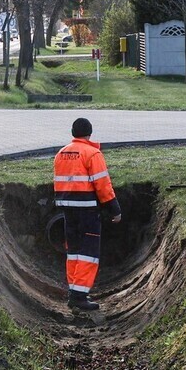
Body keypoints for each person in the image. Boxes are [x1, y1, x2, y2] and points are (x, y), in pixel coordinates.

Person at [53, 117, 122, 311]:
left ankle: (74, 291)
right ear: (89, 134)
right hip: (87, 211)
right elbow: (103, 185)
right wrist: (114, 209)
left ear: (73, 133)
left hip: (68, 210)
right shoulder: (92, 154)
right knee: (88, 253)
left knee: (73, 251)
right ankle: (79, 296)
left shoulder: (61, 153)